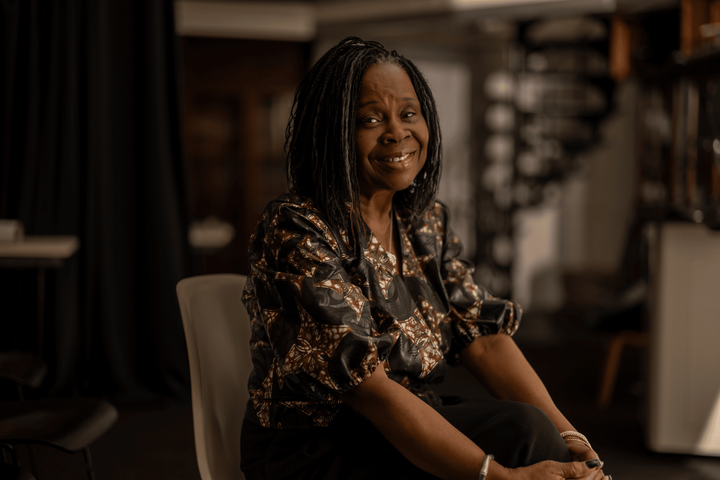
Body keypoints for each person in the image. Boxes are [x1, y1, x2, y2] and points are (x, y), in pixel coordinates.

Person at [240, 37, 610, 480]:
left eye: (408, 113)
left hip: (404, 414)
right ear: (331, 132)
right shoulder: (296, 228)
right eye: (370, 119)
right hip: (315, 448)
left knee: (529, 429)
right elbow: (370, 391)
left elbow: (484, 339)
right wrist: (501, 478)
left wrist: (572, 439)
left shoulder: (423, 222)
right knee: (517, 445)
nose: (397, 132)